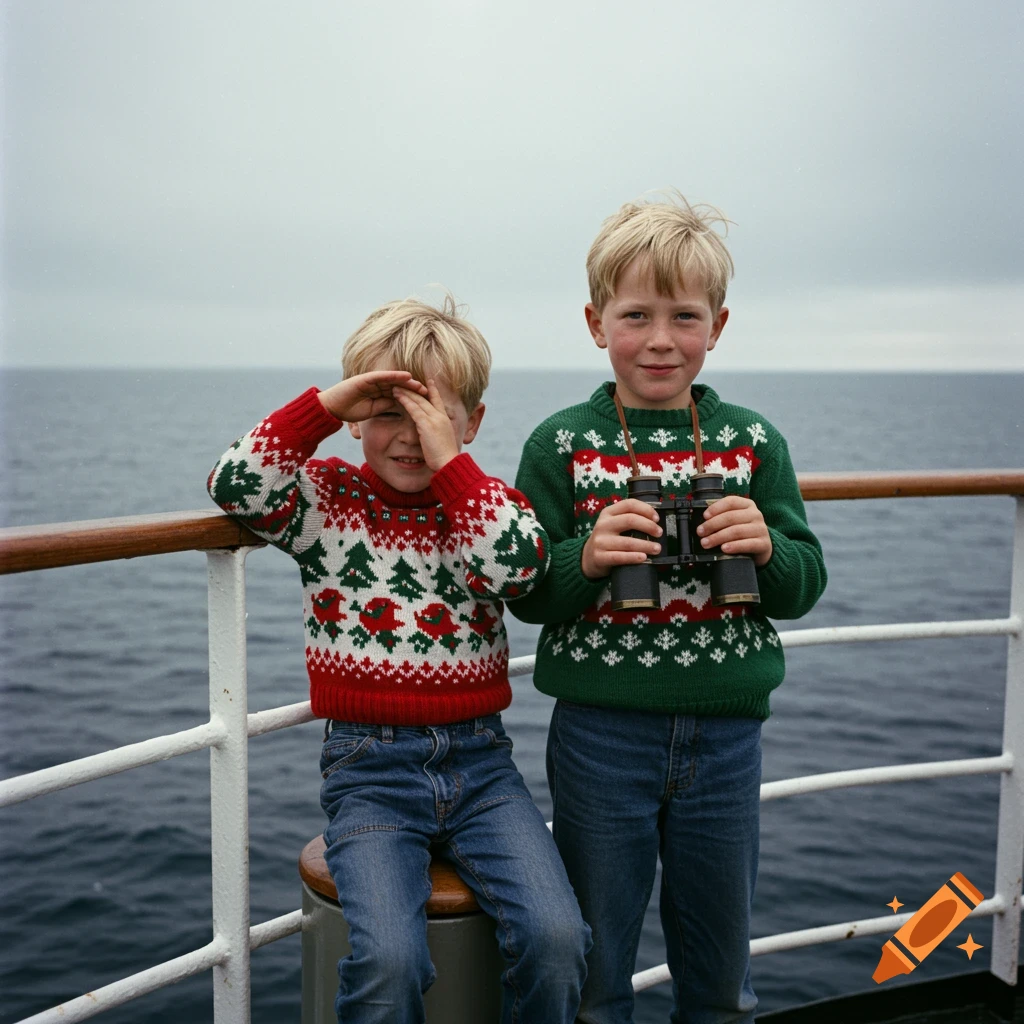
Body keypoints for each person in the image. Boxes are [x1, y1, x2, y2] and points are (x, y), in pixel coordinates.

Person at [207, 295, 589, 1024]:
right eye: (387, 413)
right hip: (370, 773)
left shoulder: (486, 504)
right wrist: (323, 406)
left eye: (432, 418)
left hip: (481, 769)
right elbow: (237, 484)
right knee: (389, 960)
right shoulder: (327, 503)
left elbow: (518, 568)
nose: (410, 438)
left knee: (557, 936)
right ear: (356, 421)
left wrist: (456, 469)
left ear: (471, 423)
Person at [509, 193, 827, 1024]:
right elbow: (528, 592)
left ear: (717, 326)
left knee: (720, 970)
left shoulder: (753, 441)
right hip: (601, 733)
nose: (659, 339)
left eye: (684, 316)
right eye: (636, 314)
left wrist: (764, 546)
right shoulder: (560, 444)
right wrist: (586, 558)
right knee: (595, 963)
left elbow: (803, 584)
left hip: (726, 737)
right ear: (595, 321)